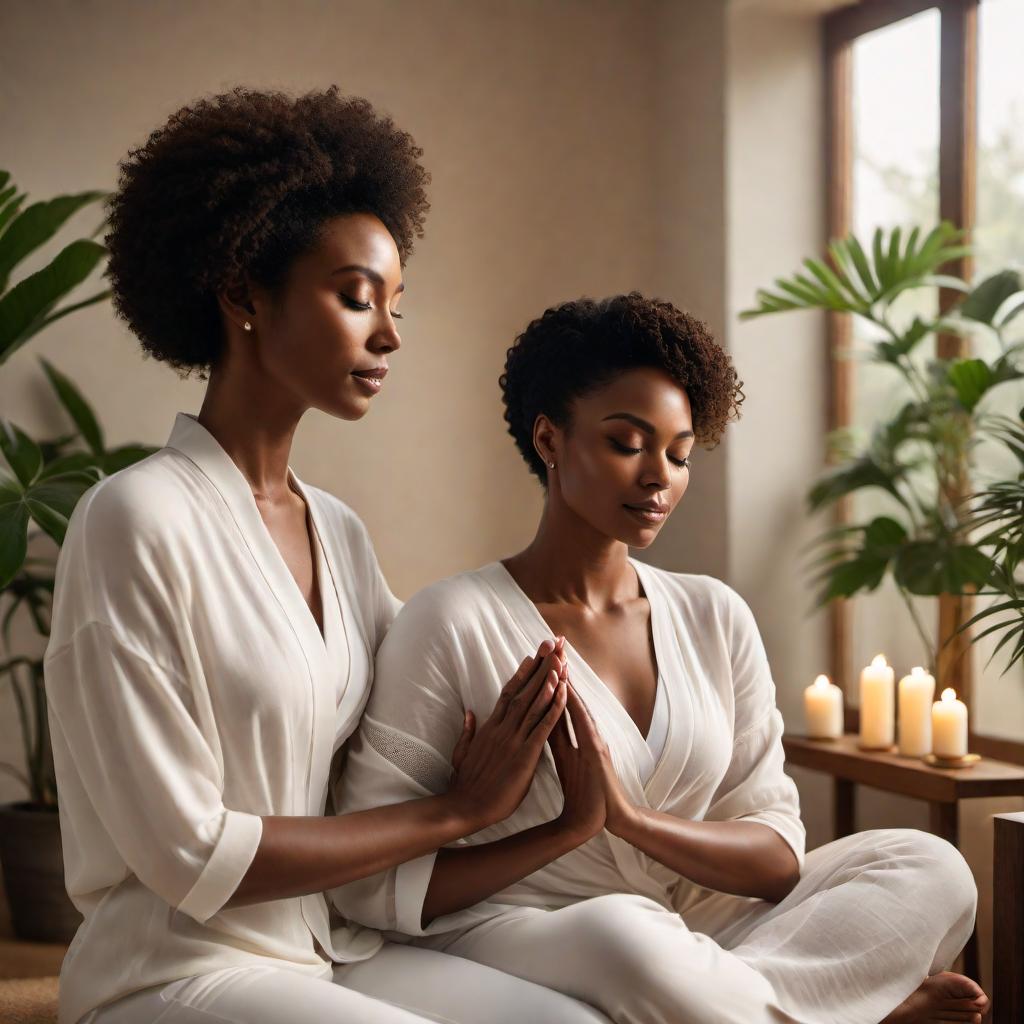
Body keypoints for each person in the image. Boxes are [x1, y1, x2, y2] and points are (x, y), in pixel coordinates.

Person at [42, 86, 608, 1024]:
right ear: (241, 294)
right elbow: (189, 854)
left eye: (396, 304)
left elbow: (409, 731)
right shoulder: (130, 521)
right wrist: (451, 814)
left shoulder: (338, 532)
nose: (389, 335)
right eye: (355, 298)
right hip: (176, 972)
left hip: (332, 949)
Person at [331, 292, 990, 1024]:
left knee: (933, 867)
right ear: (549, 439)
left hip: (699, 923)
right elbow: (369, 887)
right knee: (627, 936)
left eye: (679, 454)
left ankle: (748, 1002)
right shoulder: (451, 621)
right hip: (532, 923)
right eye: (627, 443)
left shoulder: (714, 614)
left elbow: (775, 860)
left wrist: (626, 819)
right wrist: (564, 832)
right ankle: (843, 1011)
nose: (659, 478)